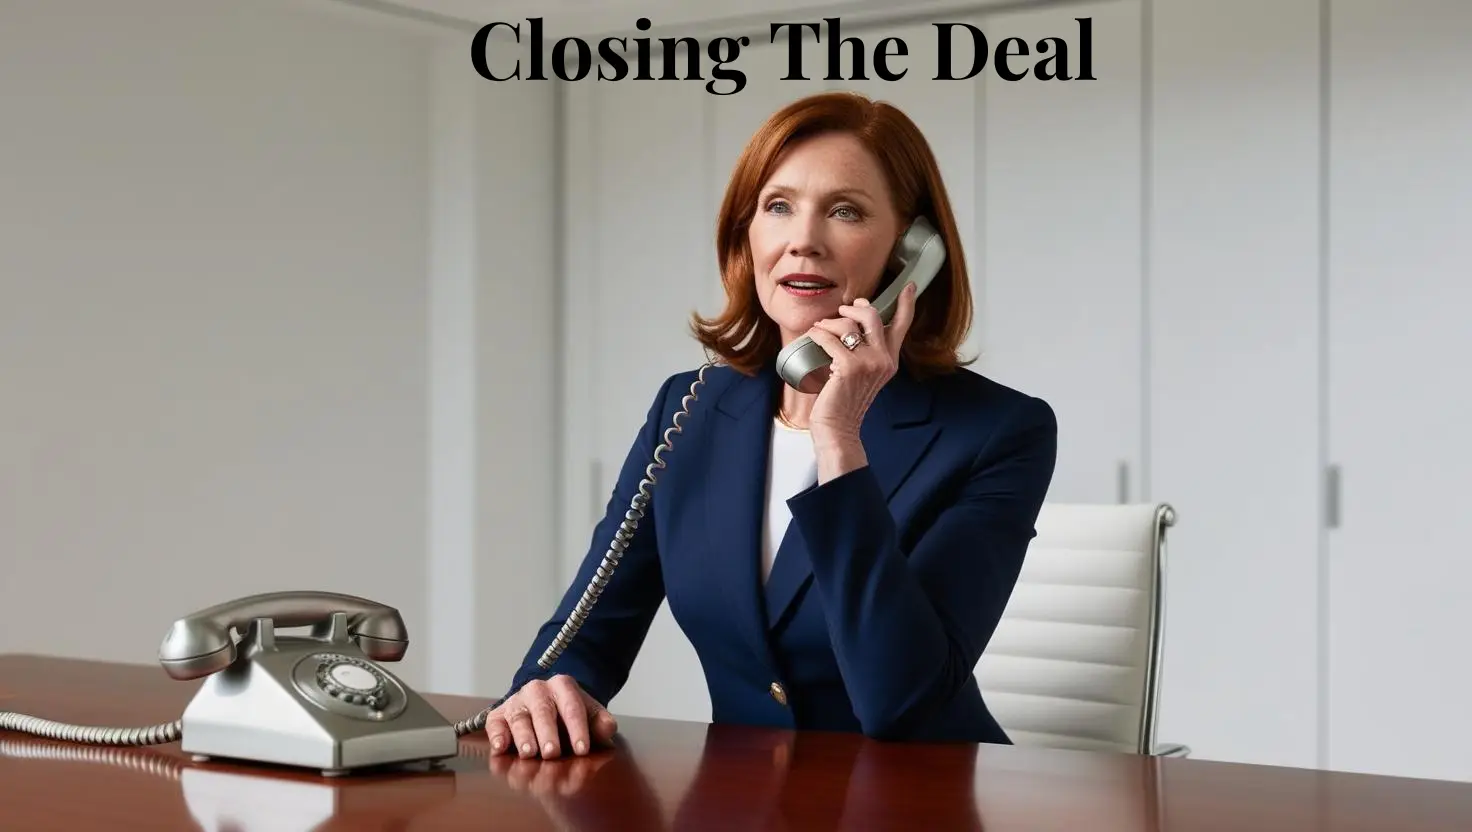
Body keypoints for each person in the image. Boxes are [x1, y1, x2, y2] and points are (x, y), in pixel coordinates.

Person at [484, 90, 1058, 760]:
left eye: (845, 211)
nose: (802, 240)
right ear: (747, 232)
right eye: (778, 206)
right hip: (738, 796)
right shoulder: (690, 409)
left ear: (911, 251)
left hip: (918, 797)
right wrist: (545, 691)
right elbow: (589, 631)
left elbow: (900, 701)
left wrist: (838, 438)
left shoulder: (997, 432)